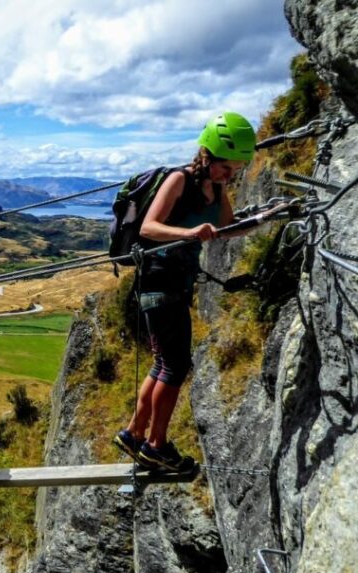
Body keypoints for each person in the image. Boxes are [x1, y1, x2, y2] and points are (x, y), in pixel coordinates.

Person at [113, 112, 257, 472]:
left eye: (236, 170)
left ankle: (134, 433)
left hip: (178, 282)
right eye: (227, 168)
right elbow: (149, 228)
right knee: (176, 365)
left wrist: (265, 217)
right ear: (207, 156)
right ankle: (156, 446)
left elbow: (225, 226)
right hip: (158, 281)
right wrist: (190, 234)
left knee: (165, 363)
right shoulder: (179, 180)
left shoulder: (217, 186)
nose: (230, 175)